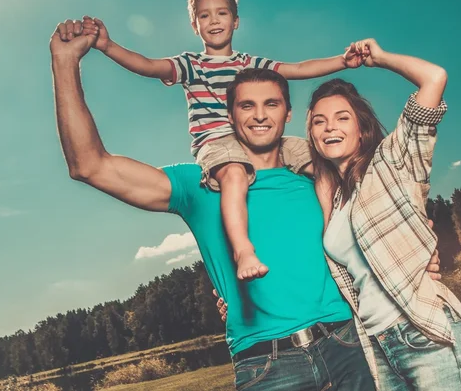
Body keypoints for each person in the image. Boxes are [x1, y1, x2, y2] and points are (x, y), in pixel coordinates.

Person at [50, 20, 380, 390]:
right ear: (230, 115)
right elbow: (90, 165)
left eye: (271, 104)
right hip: (267, 366)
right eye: (247, 106)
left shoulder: (318, 175)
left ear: (288, 114)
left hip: (346, 343)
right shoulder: (202, 184)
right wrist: (65, 61)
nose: (259, 115)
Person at [79, 0, 351, 281]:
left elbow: (299, 69)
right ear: (195, 26)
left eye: (221, 13)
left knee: (320, 161)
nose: (214, 21)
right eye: (204, 16)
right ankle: (243, 249)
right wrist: (107, 46)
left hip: (261, 137)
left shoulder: (250, 64)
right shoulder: (191, 64)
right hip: (217, 141)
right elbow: (147, 65)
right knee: (234, 174)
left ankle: (333, 228)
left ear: (235, 21)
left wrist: (343, 61)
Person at [307, 39, 461, 390]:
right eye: (319, 122)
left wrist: (381, 58)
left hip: (424, 332)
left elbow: (434, 78)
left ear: (362, 127)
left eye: (342, 118)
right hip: (379, 345)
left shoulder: (393, 162)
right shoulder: (334, 198)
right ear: (311, 134)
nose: (330, 128)